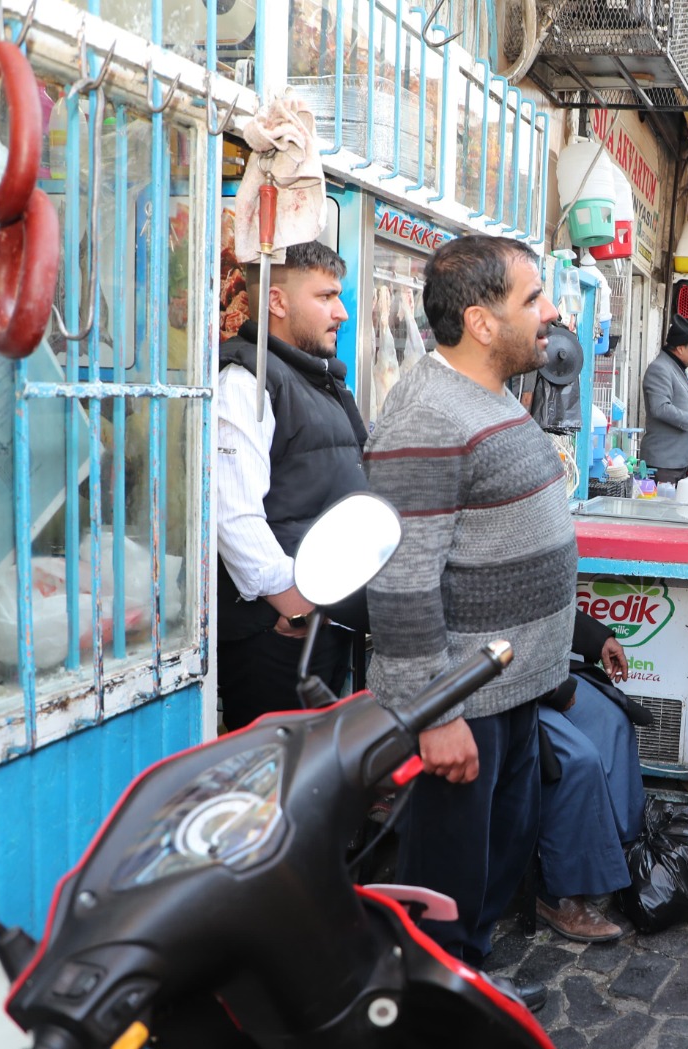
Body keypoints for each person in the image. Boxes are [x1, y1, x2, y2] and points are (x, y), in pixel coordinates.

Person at [364, 235, 572, 1009]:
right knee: (443, 882)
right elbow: (402, 577)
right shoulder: (425, 414)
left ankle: (472, 993)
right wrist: (436, 712)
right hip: (459, 701)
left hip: (508, 689)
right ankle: (433, 1018)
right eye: (533, 299)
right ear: (482, 323)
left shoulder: (489, 395)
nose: (550, 313)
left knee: (491, 862)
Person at [215, 241, 368, 730]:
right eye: (325, 297)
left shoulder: (316, 379)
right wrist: (292, 600)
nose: (340, 312)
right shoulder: (246, 379)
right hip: (280, 630)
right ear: (277, 302)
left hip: (321, 619)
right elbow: (231, 509)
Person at [534, 610, 645, 943]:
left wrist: (598, 638)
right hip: (499, 685)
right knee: (577, 759)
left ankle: (620, 854)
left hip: (543, 671)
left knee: (613, 721)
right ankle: (560, 893)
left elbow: (545, 603)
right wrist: (550, 685)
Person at [641, 319, 688, 483]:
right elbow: (660, 408)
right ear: (680, 348)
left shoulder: (680, 368)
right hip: (664, 460)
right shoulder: (659, 368)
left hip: (680, 460)